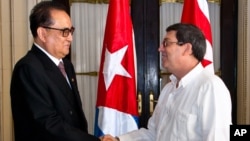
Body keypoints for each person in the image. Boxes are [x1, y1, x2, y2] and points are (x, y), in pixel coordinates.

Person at [101, 23, 232, 141]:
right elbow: (153, 134)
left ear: (187, 48)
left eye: (166, 43)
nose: (160, 49)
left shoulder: (210, 87)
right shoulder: (169, 89)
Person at [10, 1, 100, 141]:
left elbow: (73, 115)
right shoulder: (28, 69)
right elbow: (48, 123)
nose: (70, 38)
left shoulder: (67, 66)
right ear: (42, 34)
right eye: (64, 32)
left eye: (71, 31)